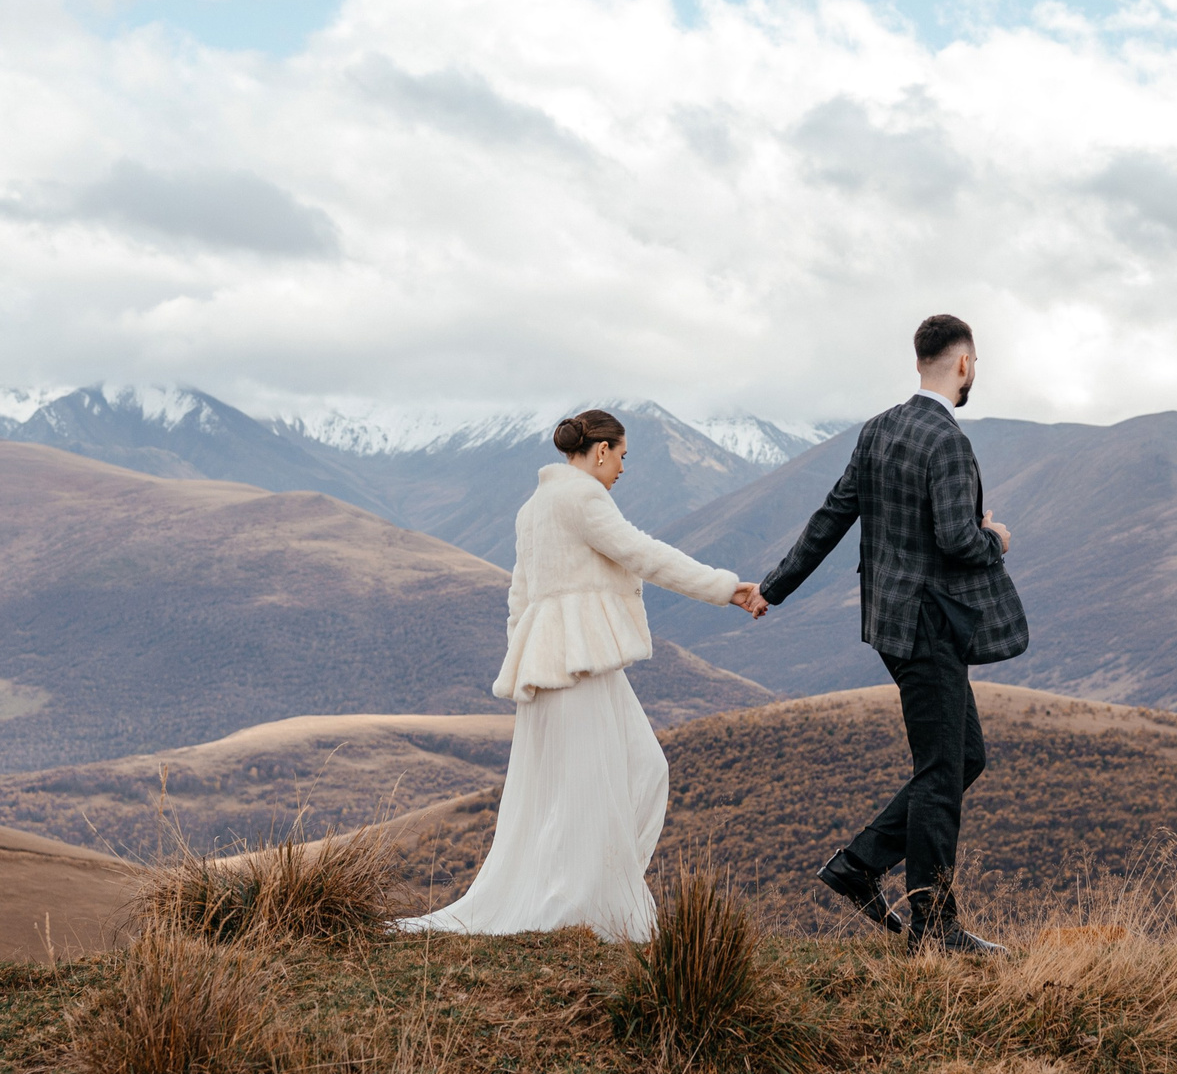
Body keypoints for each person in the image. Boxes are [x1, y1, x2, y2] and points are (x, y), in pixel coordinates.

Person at [396, 407, 769, 941]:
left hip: (555, 661)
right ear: (600, 451)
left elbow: (519, 597)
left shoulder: (534, 507)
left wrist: (525, 660)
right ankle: (587, 908)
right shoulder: (583, 497)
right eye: (621, 456)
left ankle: (597, 892)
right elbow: (642, 553)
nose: (622, 468)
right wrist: (725, 588)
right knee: (605, 782)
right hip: (578, 661)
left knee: (627, 773)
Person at [758, 314, 1027, 954]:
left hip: (889, 624)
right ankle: (933, 927)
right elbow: (958, 539)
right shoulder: (949, 442)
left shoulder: (878, 430)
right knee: (941, 772)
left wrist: (772, 587)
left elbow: (831, 517)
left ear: (919, 363)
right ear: (963, 365)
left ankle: (858, 865)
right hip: (933, 624)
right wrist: (997, 540)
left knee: (964, 759)